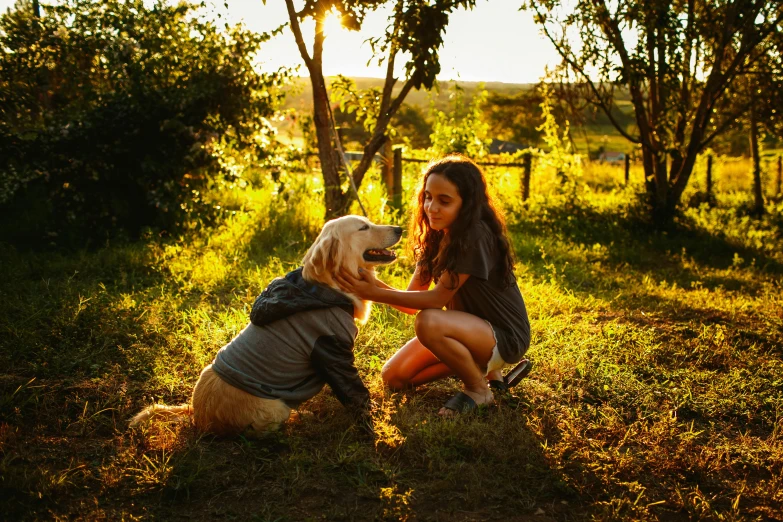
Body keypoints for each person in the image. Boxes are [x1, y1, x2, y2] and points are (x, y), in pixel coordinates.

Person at [335, 154, 531, 416]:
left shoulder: (475, 235)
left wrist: (372, 292)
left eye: (444, 201)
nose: (432, 207)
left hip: (505, 335)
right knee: (394, 378)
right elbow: (412, 300)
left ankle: (477, 389)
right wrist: (373, 283)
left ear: (467, 204)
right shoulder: (435, 236)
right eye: (427, 197)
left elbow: (434, 302)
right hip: (469, 331)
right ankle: (487, 373)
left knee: (429, 321)